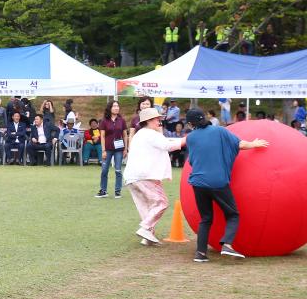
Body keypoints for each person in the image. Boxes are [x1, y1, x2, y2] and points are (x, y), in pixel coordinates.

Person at [184, 108, 268, 262]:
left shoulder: (190, 138)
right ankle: (227, 245)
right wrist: (254, 144)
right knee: (233, 214)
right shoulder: (219, 131)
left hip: (197, 183)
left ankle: (200, 254)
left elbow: (192, 160)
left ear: (190, 123)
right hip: (217, 182)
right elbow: (240, 144)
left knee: (206, 218)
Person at [123, 108, 186, 245]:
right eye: (157, 119)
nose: (160, 121)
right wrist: (185, 140)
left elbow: (164, 142)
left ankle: (148, 236)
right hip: (145, 176)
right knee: (161, 202)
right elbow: (167, 145)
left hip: (131, 177)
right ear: (149, 121)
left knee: (146, 206)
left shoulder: (141, 134)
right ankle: (145, 229)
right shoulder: (151, 134)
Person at [97, 100, 128, 198]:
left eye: (117, 106)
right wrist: (103, 150)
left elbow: (125, 135)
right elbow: (102, 136)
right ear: (110, 108)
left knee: (118, 170)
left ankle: (117, 191)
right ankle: (103, 191)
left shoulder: (121, 120)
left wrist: (125, 149)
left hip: (119, 149)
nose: (116, 108)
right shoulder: (104, 121)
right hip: (107, 149)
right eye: (114, 106)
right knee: (104, 170)